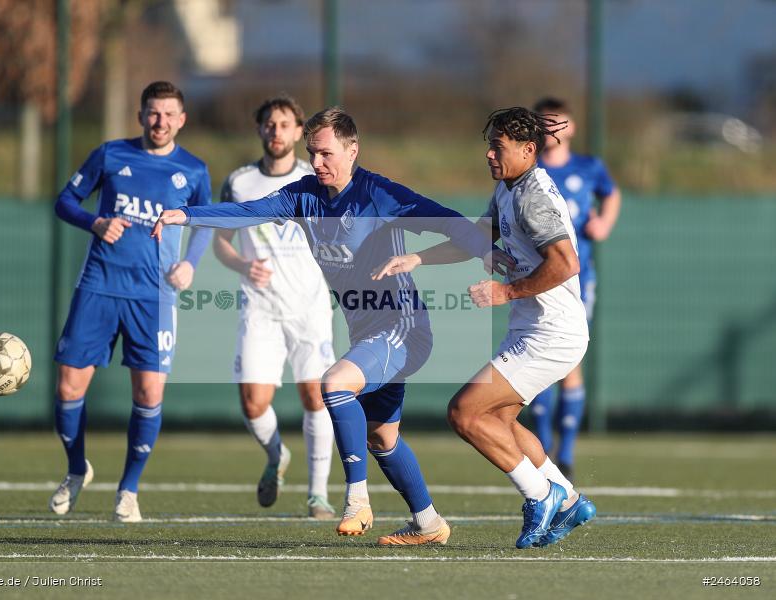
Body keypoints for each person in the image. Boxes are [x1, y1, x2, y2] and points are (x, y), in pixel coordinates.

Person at [152, 107, 492, 546]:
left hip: (402, 326)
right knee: (381, 437)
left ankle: (355, 499)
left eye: (327, 154)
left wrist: (484, 251)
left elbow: (440, 217)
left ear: (353, 150)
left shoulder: (378, 194)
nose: (317, 163)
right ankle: (428, 523)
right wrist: (186, 215)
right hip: (367, 332)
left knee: (333, 384)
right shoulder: (305, 195)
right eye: (312, 154)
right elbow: (248, 211)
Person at [374, 107, 596, 548]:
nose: (490, 154)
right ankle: (569, 500)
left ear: (528, 150)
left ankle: (541, 494)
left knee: (465, 413)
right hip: (532, 329)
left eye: (499, 146)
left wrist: (506, 292)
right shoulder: (508, 188)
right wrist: (419, 258)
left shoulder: (534, 195)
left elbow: (567, 263)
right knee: (499, 418)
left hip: (553, 333)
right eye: (489, 145)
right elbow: (480, 238)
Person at [50, 81, 212, 523]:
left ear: (182, 119)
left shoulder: (194, 171)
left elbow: (206, 223)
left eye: (169, 114)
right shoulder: (110, 154)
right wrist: (95, 222)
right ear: (140, 115)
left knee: (148, 393)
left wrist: (191, 264)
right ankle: (75, 469)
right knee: (67, 386)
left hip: (154, 296)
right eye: (152, 113)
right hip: (99, 285)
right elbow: (64, 202)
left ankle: (129, 489)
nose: (160, 122)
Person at [215, 95, 336, 519]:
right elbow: (221, 243)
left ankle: (317, 495)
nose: (277, 131)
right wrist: (244, 264)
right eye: (270, 124)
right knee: (252, 403)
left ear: (300, 132)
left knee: (317, 397)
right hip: (260, 308)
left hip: (310, 307)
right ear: (260, 130)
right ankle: (277, 454)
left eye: (285, 124)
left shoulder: (316, 177)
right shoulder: (240, 182)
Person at [529, 97, 621, 480]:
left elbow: (611, 193)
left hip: (578, 281)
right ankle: (542, 445)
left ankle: (564, 453)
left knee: (569, 362)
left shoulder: (589, 167)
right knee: (537, 362)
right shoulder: (528, 172)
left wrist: (604, 223)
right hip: (537, 278)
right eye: (544, 123)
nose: (551, 129)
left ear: (571, 128)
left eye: (558, 122)